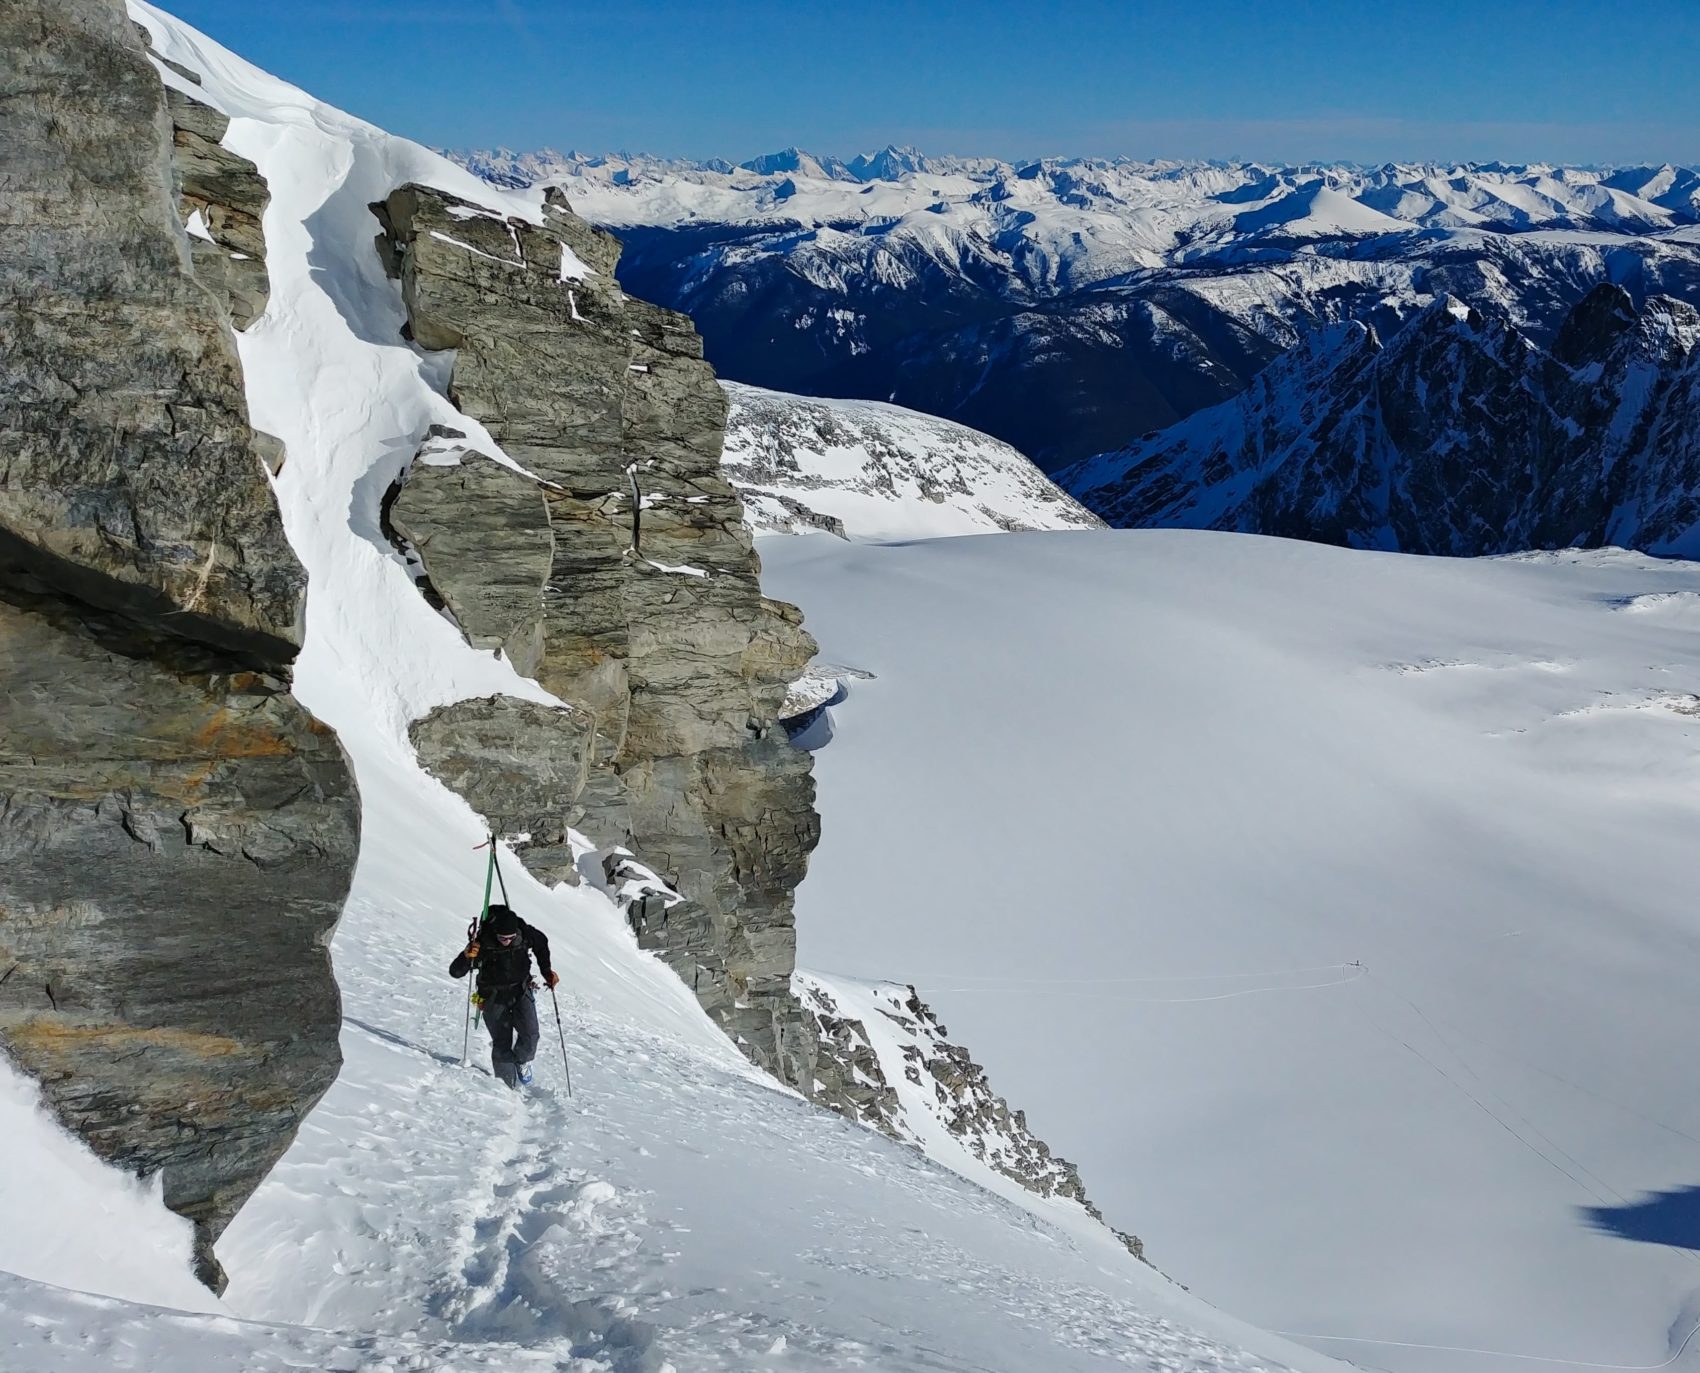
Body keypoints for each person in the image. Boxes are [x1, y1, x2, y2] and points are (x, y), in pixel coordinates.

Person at [450, 904, 558, 1089]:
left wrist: (546, 970)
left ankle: (522, 1060)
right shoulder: (482, 942)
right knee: (502, 1042)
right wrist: (467, 956)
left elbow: (541, 942)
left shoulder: (523, 933)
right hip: (492, 995)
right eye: (502, 938)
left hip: (521, 989)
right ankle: (505, 1087)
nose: (506, 941)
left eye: (510, 937)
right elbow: (456, 972)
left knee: (531, 1034)